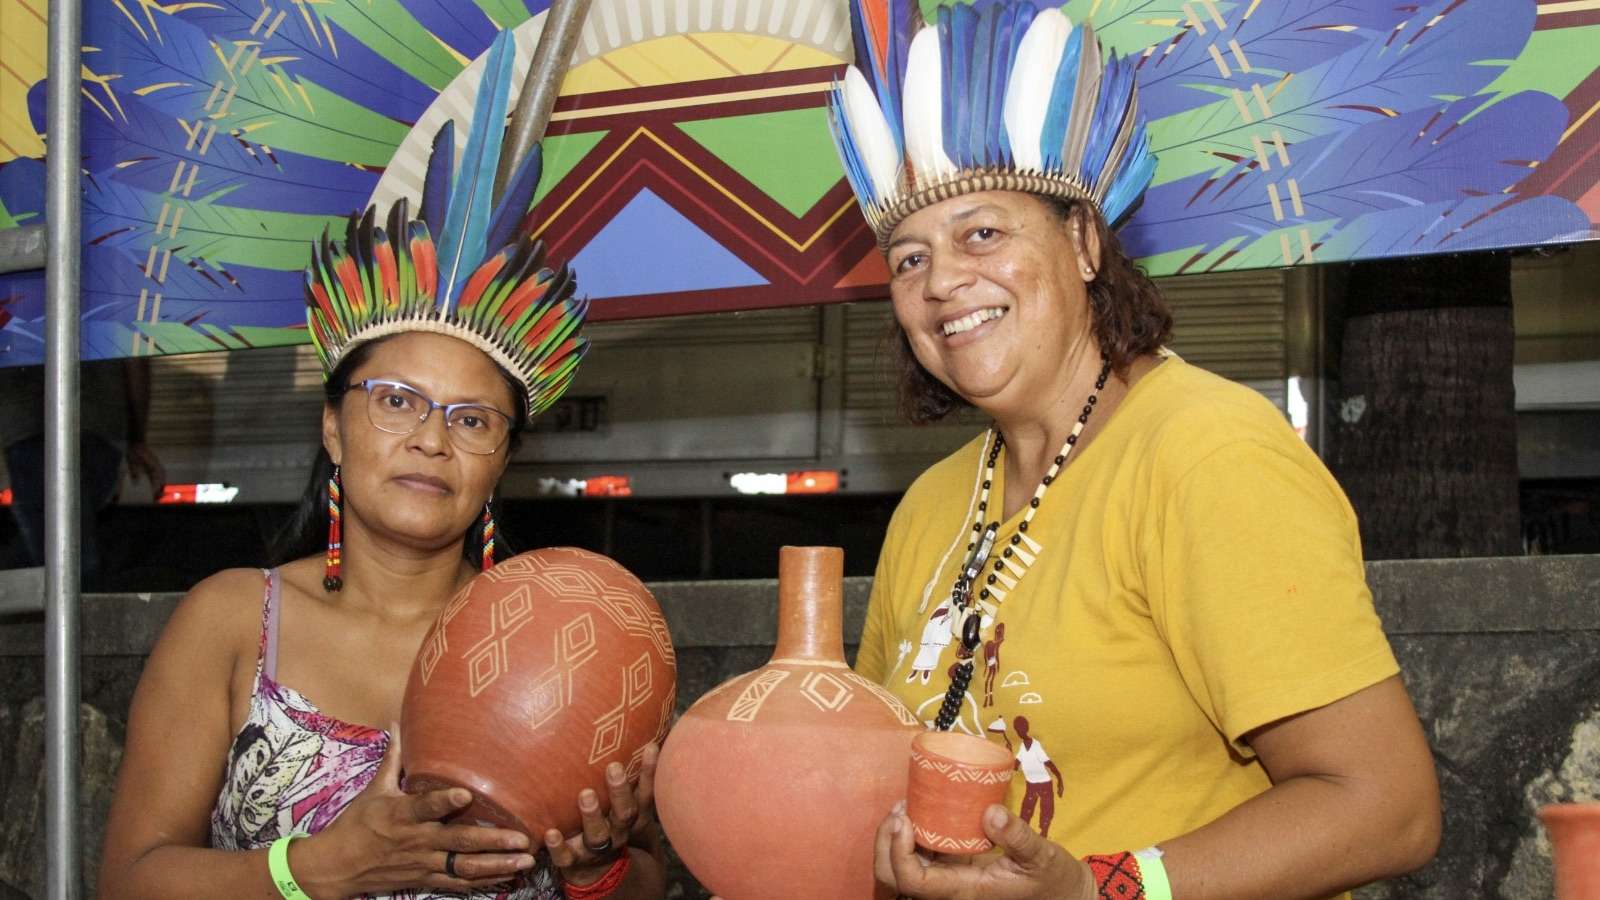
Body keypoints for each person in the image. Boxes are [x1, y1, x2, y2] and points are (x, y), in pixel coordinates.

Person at [830, 2, 1442, 898]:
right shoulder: (930, 506)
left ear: (1082, 241)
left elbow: (1387, 805)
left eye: (983, 233)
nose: (943, 281)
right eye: (909, 259)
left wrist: (1098, 891)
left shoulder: (1207, 453)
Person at [97, 31, 664, 900]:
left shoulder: (565, 642)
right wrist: (315, 868)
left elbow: (642, 884)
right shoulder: (234, 623)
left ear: (501, 458)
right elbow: (131, 881)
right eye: (397, 400)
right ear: (333, 427)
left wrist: (595, 871)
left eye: (473, 419)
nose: (432, 439)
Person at [0, 356, 164, 585]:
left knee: (61, 555)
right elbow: (134, 357)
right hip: (98, 423)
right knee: (60, 544)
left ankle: (80, 613)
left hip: (31, 422)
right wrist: (136, 437)